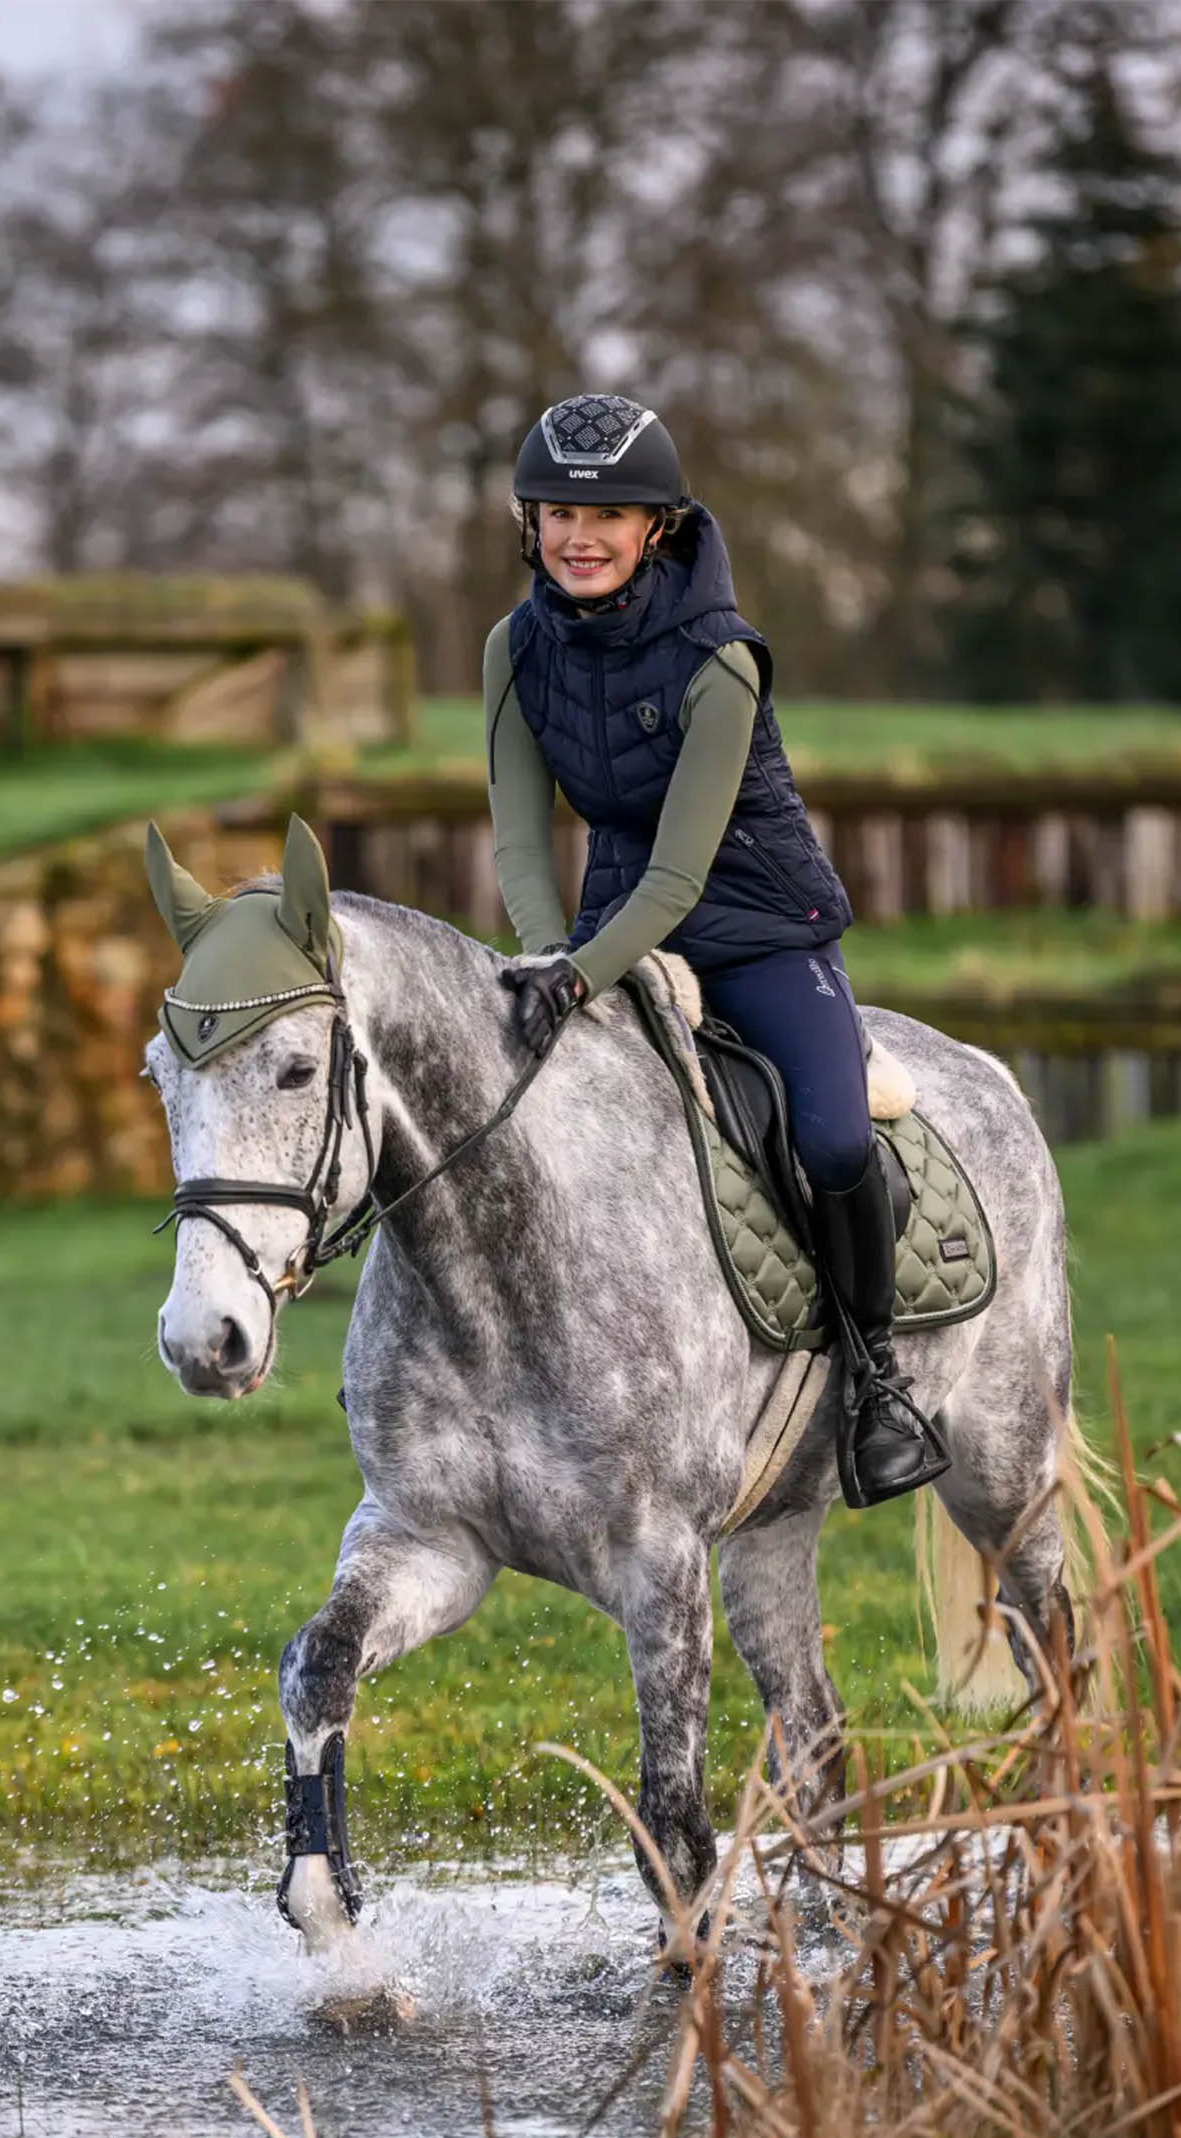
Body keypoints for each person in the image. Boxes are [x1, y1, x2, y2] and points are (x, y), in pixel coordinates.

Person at [485, 392, 947, 1509]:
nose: (577, 538)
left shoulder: (721, 659)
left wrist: (584, 974)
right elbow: (516, 832)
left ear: (661, 529)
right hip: (604, 929)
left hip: (755, 929)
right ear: (529, 523)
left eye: (608, 518)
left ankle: (877, 1382)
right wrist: (549, 957)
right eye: (554, 515)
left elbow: (683, 877)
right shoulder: (513, 647)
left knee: (834, 1142)